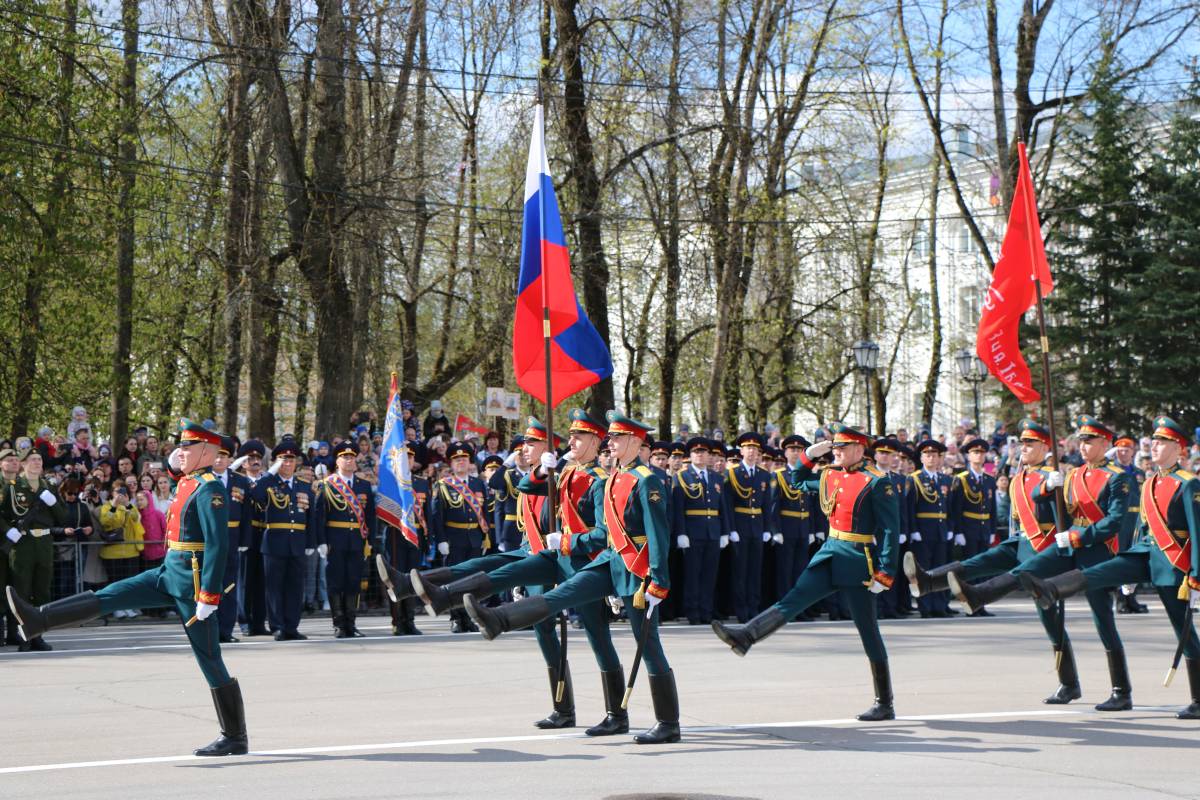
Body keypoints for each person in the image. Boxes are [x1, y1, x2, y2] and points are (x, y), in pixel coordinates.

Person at [7, 419, 249, 756]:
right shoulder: (188, 482)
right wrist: (175, 460)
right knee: (111, 595)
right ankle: (38, 620)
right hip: (168, 574)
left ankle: (235, 736)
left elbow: (218, 546)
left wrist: (209, 595)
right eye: (180, 446)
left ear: (207, 451)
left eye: (188, 446)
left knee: (209, 658)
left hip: (191, 588)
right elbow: (174, 471)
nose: (181, 452)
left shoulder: (210, 489)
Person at [462, 411, 680, 744]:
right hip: (611, 561)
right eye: (611, 438)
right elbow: (606, 532)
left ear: (636, 442)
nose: (612, 443)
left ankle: (668, 723)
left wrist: (659, 581)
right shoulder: (612, 479)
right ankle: (498, 619)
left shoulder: (646, 480)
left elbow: (658, 535)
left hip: (637, 568)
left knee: (647, 644)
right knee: (560, 596)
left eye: (618, 438)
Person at [415, 413, 628, 733]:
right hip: (558, 556)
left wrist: (568, 540)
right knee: (512, 575)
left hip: (586, 563)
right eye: (570, 435)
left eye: (579, 437)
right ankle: (562, 708)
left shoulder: (598, 480)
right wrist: (546, 466)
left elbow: (605, 534)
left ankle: (616, 715)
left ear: (596, 442)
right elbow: (528, 486)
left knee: (598, 637)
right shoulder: (569, 471)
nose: (572, 441)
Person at [711, 423, 901, 721]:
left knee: (868, 630)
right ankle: (746, 636)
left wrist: (885, 572)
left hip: (858, 561)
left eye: (842, 448)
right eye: (834, 448)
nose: (836, 452)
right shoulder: (830, 474)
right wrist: (811, 455)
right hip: (830, 553)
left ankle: (884, 701)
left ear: (860, 448)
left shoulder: (876, 481)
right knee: (794, 598)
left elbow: (891, 529)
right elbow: (797, 480)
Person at [948, 416, 1135, 710]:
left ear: (1105, 443)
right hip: (1070, 544)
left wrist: (1079, 537)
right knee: (1029, 574)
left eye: (1090, 441)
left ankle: (1121, 691)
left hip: (1098, 551)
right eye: (1081, 441)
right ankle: (981, 594)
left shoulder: (1118, 477)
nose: (1083, 447)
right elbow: (1039, 498)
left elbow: (1114, 522)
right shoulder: (1072, 475)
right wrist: (1049, 487)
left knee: (1103, 621)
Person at [1021, 416, 1200, 719]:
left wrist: (1195, 574)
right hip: (1146, 553)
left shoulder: (1188, 483)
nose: (1153, 446)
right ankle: (1051, 588)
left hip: (1173, 564)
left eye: (1161, 442)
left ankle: (1198, 699)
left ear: (1178, 447)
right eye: (1154, 441)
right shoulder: (1150, 481)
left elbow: (1197, 532)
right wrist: (1129, 569)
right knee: (1099, 574)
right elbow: (1142, 529)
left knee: (1182, 629)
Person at [907, 420, 1079, 703]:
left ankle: (1069, 682)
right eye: (1022, 443)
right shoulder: (1020, 476)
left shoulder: (1053, 476)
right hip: (1022, 540)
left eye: (1031, 443)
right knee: (980, 561)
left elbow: (1065, 520)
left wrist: (1054, 490)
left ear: (1046, 447)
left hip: (1046, 548)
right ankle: (928, 581)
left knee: (1051, 620)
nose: (1024, 448)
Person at [1, 448, 68, 650]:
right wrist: (7, 530)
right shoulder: (12, 487)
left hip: (44, 544)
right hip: (23, 544)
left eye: (39, 459)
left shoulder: (49, 486)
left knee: (42, 592)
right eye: (32, 459)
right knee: (21, 592)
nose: (37, 462)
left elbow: (63, 517)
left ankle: (38, 635)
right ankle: (23, 636)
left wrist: (53, 502)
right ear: (23, 463)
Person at [254, 437, 317, 641]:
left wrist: (310, 543)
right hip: (274, 542)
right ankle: (278, 626)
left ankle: (292, 626)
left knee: (294, 587)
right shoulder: (269, 483)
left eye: (291, 460)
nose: (288, 464)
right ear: (276, 462)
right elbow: (255, 496)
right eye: (283, 460)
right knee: (274, 588)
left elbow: (311, 517)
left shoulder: (304, 485)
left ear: (296, 462)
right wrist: (270, 472)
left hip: (297, 542)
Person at [314, 441, 376, 638]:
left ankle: (351, 622)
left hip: (357, 540)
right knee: (336, 582)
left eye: (352, 457)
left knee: (354, 581)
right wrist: (321, 541)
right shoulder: (327, 485)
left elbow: (370, 517)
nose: (349, 461)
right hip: (335, 540)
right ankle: (339, 624)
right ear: (337, 460)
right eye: (344, 457)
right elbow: (319, 516)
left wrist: (370, 540)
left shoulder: (364, 485)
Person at [426, 440, 491, 632]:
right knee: (454, 580)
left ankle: (470, 617)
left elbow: (484, 511)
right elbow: (437, 516)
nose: (460, 462)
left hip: (474, 538)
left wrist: (485, 535)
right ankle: (456, 618)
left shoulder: (479, 484)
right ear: (451, 464)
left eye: (464, 459)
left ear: (470, 461)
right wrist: (441, 540)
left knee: (473, 580)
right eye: (456, 460)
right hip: (454, 538)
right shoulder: (444, 485)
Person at [673, 437, 728, 625]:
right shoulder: (682, 477)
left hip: (713, 531)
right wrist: (681, 533)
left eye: (703, 452)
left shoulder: (716, 478)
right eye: (696, 452)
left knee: (709, 575)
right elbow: (678, 508)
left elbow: (723, 508)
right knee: (693, 575)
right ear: (690, 455)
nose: (700, 455)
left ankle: (706, 611)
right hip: (692, 532)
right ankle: (693, 612)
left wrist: (725, 532)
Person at [723, 432, 773, 621]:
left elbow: (767, 505)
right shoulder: (733, 473)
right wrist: (731, 529)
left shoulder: (763, 474)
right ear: (741, 451)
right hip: (740, 525)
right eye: (748, 448)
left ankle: (754, 607)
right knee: (740, 571)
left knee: (755, 570)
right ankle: (741, 609)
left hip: (757, 526)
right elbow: (727, 505)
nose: (752, 452)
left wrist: (768, 528)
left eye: (755, 449)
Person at [949, 437, 998, 616]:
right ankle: (969, 603)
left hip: (983, 528)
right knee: (970, 568)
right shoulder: (961, 479)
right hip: (968, 528)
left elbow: (992, 508)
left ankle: (981, 604)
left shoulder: (989, 480)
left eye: (982, 453)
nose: (979, 456)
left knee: (983, 567)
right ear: (968, 456)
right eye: (975, 452)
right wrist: (958, 532)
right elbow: (956, 509)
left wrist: (992, 530)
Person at [908, 439, 954, 617]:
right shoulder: (915, 479)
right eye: (927, 454)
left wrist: (950, 527)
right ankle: (925, 606)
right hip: (923, 531)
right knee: (924, 571)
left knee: (940, 569)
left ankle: (940, 605)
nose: (931, 458)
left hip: (941, 530)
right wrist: (914, 530)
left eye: (934, 455)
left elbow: (949, 507)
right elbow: (910, 507)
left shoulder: (945, 479)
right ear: (921, 457)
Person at [234, 439, 270, 636]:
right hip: (247, 536)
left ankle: (259, 622)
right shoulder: (239, 482)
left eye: (258, 458)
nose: (255, 461)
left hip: (265, 535)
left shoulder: (269, 481)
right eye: (250, 458)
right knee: (245, 581)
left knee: (262, 582)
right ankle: (245, 621)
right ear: (243, 463)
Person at [1112, 434, 1149, 614]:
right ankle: (1120, 600)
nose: (1123, 452)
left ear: (1133, 452)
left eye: (1127, 449)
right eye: (1120, 449)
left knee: (1134, 559)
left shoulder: (1138, 473)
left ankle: (1131, 598)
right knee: (1120, 559)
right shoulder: (1113, 472)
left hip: (1136, 520)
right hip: (1121, 520)